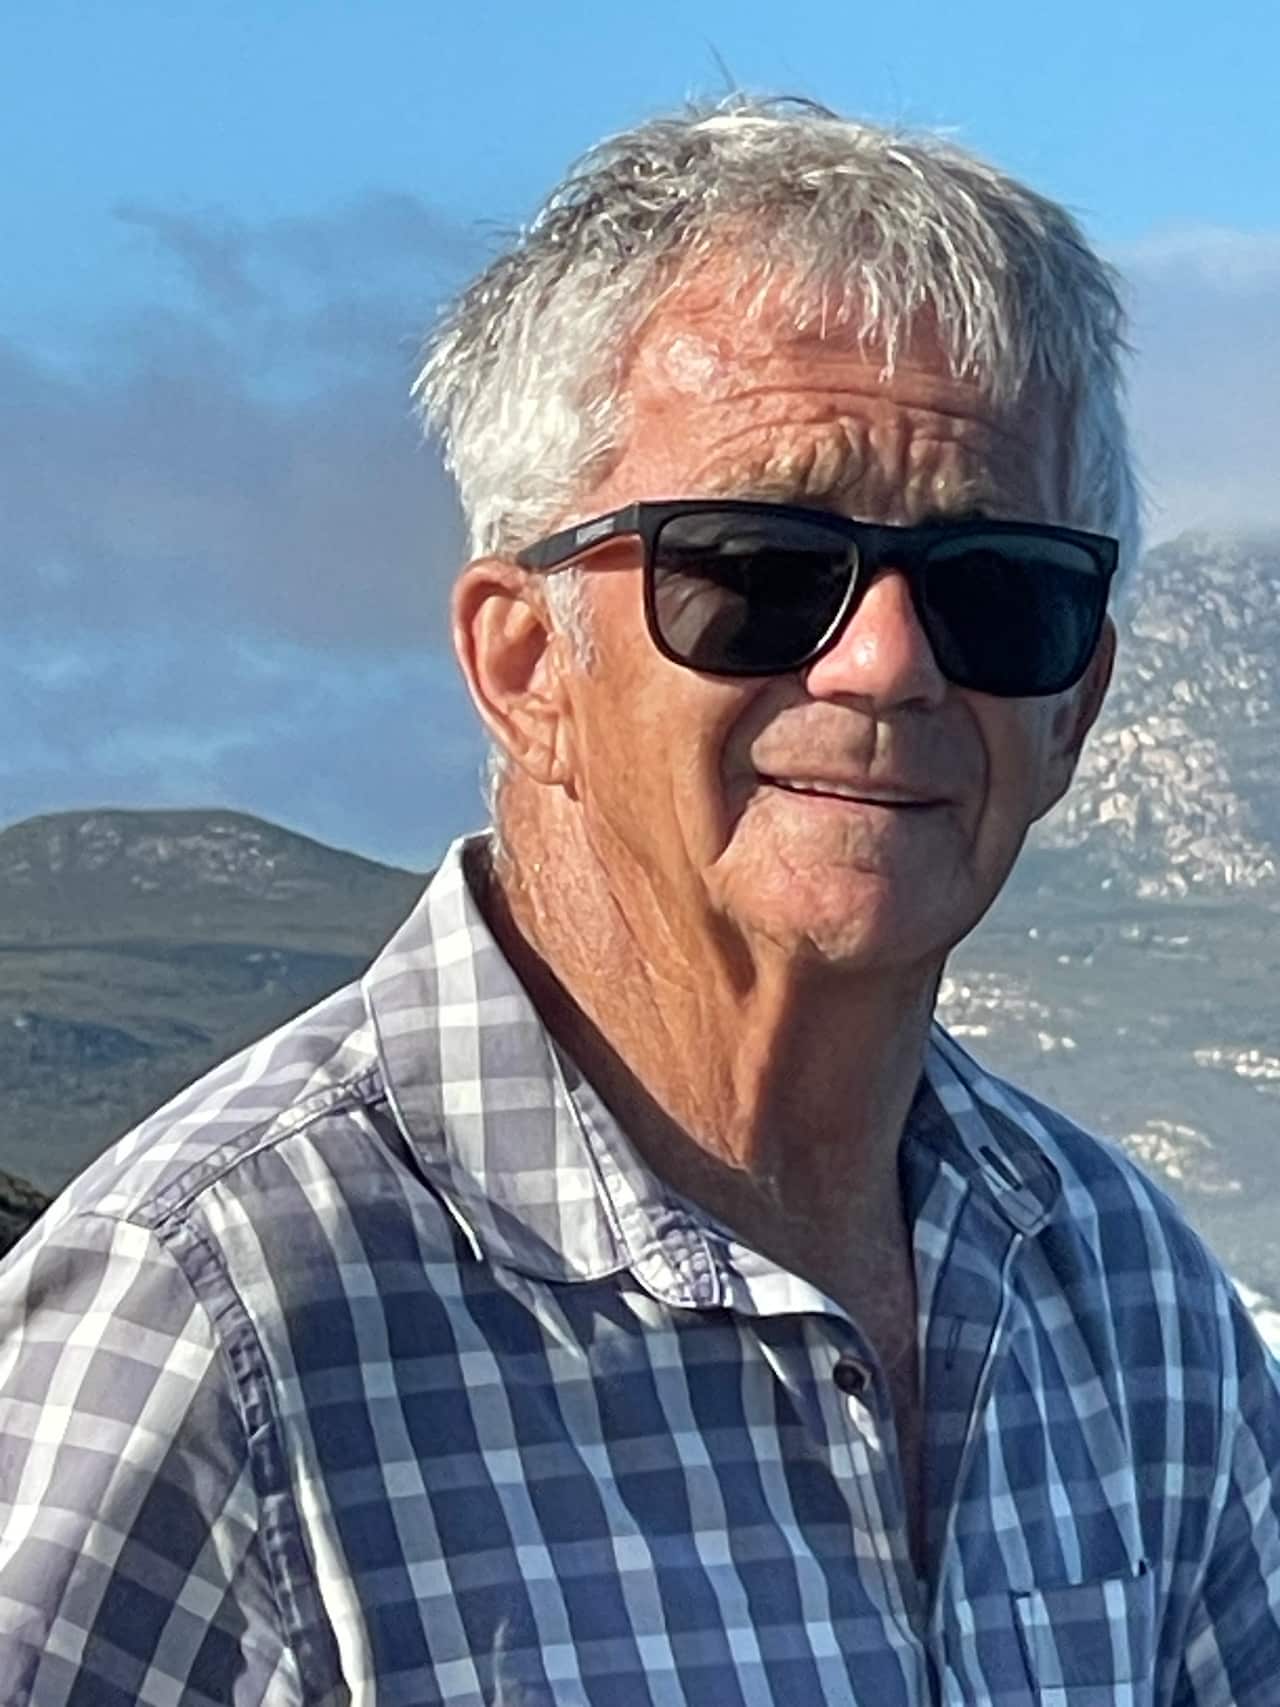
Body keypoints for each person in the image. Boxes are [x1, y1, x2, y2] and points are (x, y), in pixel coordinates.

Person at [1, 97, 1277, 1707]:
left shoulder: (1137, 1312)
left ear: (1072, 708)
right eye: (754, 571)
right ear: (524, 663)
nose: (885, 664)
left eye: (993, 589)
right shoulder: (210, 1325)